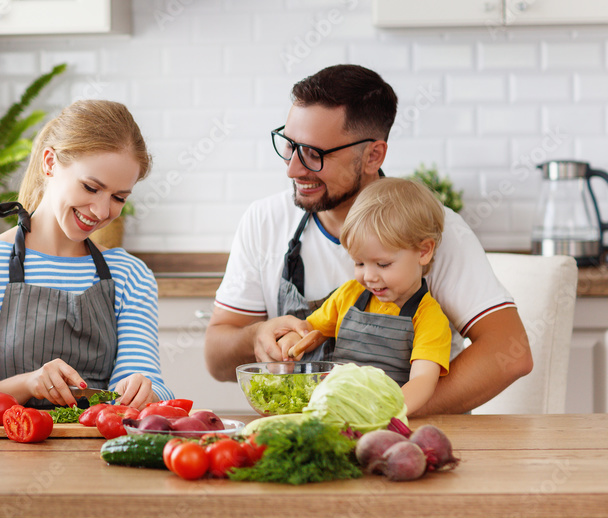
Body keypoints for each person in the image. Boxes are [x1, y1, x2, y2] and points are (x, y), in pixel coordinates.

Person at [204, 64, 533, 416]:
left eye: (314, 155)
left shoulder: (434, 228)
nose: (293, 169)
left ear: (373, 155)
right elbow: (216, 359)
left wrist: (377, 414)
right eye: (289, 146)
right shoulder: (264, 220)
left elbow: (510, 351)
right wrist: (255, 337)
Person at [0, 99, 174, 410]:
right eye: (91, 188)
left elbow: (151, 383)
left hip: (98, 451)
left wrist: (146, 391)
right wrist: (28, 384)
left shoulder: (130, 274)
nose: (102, 211)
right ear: (50, 163)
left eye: (118, 197)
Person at [274, 177, 452, 414]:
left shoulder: (429, 318)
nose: (369, 276)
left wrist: (380, 413)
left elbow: (423, 382)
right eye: (359, 262)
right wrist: (292, 342)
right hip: (336, 411)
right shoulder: (349, 295)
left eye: (383, 264)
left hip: (386, 420)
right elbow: (309, 330)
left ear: (423, 251)